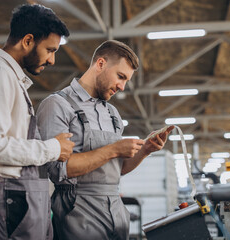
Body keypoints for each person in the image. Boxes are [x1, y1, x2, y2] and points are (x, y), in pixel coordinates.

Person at [37, 40, 174, 240]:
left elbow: (117, 169)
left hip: (116, 212)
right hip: (77, 212)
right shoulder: (58, 105)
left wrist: (145, 150)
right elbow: (58, 170)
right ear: (100, 64)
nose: (122, 86)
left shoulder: (112, 114)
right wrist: (113, 149)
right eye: (120, 76)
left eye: (126, 80)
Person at [0, 4, 74, 240]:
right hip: (10, 205)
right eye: (50, 50)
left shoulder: (11, 78)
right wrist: (52, 148)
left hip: (21, 202)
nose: (52, 60)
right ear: (27, 41)